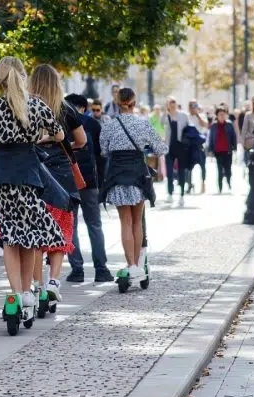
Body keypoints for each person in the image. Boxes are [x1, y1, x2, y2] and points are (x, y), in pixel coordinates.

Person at [0, 56, 66, 319]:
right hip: (29, 173)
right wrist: (38, 136)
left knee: (9, 236)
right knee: (30, 237)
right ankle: (28, 292)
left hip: (1, 175)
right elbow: (60, 135)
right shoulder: (37, 105)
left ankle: (15, 293)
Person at [29, 64, 86, 302]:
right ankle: (53, 281)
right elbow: (81, 141)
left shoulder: (27, 108)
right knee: (61, 230)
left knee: (35, 232)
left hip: (36, 172)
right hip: (62, 174)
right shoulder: (67, 109)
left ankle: (37, 284)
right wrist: (62, 146)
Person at [99, 88, 167, 279]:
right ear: (134, 103)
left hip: (118, 175)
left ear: (118, 103)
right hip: (138, 175)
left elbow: (104, 150)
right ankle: (137, 265)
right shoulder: (143, 124)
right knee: (138, 221)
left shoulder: (109, 125)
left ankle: (130, 265)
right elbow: (161, 148)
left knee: (125, 222)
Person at [64, 94, 113, 283]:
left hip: (69, 183)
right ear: (84, 108)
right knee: (95, 225)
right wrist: (101, 182)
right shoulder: (93, 125)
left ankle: (77, 270)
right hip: (90, 183)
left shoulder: (62, 124)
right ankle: (101, 269)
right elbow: (102, 158)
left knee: (72, 226)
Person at [160, 96, 188, 203]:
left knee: (181, 172)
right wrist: (165, 110)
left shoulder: (183, 115)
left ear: (177, 103)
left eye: (173, 102)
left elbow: (188, 128)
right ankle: (170, 193)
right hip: (169, 148)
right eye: (169, 102)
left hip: (181, 147)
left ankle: (181, 195)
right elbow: (161, 123)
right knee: (170, 173)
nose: (172, 104)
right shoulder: (166, 116)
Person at [208, 106, 237, 193]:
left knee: (228, 169)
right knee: (219, 170)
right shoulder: (214, 125)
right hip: (218, 151)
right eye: (220, 114)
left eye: (223, 114)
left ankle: (228, 182)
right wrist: (210, 149)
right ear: (217, 115)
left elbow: (233, 136)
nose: (222, 116)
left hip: (227, 151)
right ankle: (220, 188)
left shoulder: (229, 124)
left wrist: (234, 147)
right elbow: (211, 138)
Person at [183, 99, 208, 194]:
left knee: (202, 166)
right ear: (189, 107)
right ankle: (189, 185)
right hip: (189, 145)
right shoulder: (186, 117)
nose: (194, 108)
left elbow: (206, 125)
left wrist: (198, 115)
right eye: (192, 106)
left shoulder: (201, 116)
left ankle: (203, 184)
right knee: (188, 167)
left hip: (199, 145)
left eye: (195, 106)